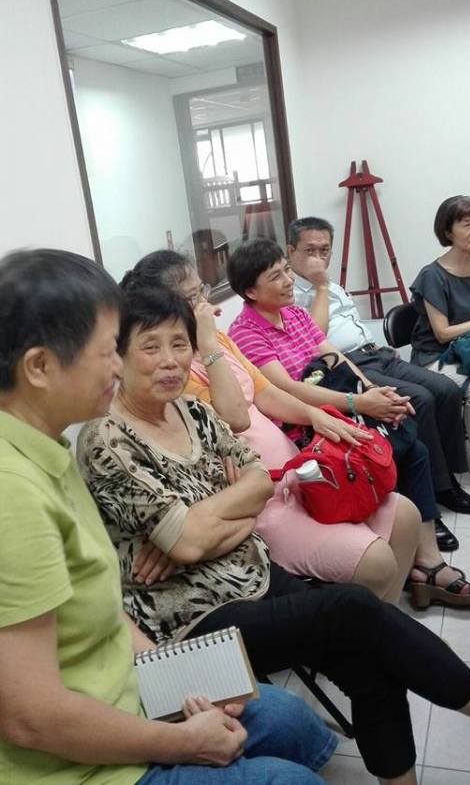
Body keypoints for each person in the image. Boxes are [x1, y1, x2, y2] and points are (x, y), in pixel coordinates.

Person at [75, 284, 470, 785]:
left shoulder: (194, 411)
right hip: (190, 617)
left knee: (367, 655)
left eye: (180, 343)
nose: (170, 360)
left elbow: (257, 484)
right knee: (354, 609)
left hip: (255, 572)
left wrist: (206, 524)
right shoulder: (107, 438)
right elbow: (191, 540)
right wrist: (212, 522)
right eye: (151, 347)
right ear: (118, 356)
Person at [0, 248, 341, 785]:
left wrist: (176, 678)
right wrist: (184, 741)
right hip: (82, 764)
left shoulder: (48, 450)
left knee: (288, 719)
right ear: (39, 367)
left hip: (127, 684)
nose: (120, 367)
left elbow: (108, 613)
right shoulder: (14, 494)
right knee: (287, 776)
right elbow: (30, 717)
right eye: (107, 352)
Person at [119, 250, 420, 605]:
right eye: (194, 296)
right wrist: (207, 344)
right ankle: (363, 626)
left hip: (298, 473)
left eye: (202, 291)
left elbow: (266, 393)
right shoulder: (176, 370)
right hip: (261, 497)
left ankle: (383, 622)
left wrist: (316, 415)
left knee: (405, 517)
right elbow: (236, 417)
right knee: (376, 562)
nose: (205, 304)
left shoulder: (220, 343)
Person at [227, 238, 470, 606]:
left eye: (286, 271)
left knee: (411, 444)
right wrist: (357, 402)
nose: (288, 281)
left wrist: (372, 391)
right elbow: (286, 389)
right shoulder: (244, 333)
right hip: (303, 425)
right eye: (276, 276)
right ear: (251, 291)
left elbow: (334, 356)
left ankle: (425, 558)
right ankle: (407, 557)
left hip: (334, 407)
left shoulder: (296, 314)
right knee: (376, 452)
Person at [286, 215, 470, 539]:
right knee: (419, 400)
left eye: (325, 250)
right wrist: (319, 286)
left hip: (377, 354)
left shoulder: (332, 284)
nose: (319, 258)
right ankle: (429, 499)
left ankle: (448, 481)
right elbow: (312, 338)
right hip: (347, 367)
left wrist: (326, 286)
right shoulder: (290, 292)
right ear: (291, 251)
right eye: (310, 250)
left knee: (446, 389)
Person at [411, 195, 470, 493]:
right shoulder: (432, 275)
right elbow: (442, 333)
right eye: (467, 224)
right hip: (437, 356)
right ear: (448, 232)